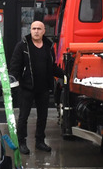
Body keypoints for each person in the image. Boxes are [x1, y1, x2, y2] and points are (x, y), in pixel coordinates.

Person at [8, 20, 64, 155]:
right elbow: (15, 67)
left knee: (42, 116)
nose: (36, 31)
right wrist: (13, 83)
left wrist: (65, 73)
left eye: (39, 29)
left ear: (44, 31)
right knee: (23, 117)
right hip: (26, 88)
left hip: (43, 88)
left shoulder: (48, 47)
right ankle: (22, 142)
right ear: (30, 30)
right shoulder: (22, 46)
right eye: (34, 28)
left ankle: (40, 141)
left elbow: (52, 67)